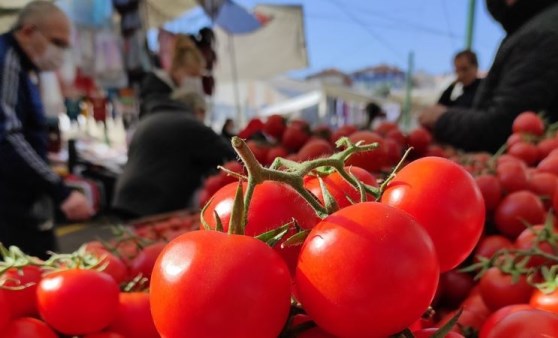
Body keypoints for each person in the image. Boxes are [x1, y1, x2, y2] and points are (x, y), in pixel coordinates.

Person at [0, 1, 93, 258]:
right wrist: (59, 190)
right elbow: (8, 135)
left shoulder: (23, 66)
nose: (61, 52)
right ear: (29, 31)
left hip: (19, 201)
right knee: (24, 278)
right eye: (58, 42)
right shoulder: (7, 59)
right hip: (9, 205)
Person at [419, 0, 558, 153]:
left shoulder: (539, 34)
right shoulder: (534, 27)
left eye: (464, 69)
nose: (460, 74)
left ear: (475, 67)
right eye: (457, 70)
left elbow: (502, 126)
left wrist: (442, 118)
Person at [112, 92, 235, 219]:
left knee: (134, 236)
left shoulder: (148, 120)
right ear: (199, 111)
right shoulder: (189, 124)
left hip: (126, 195)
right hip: (155, 200)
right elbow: (233, 155)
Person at [139, 34, 205, 118]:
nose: (194, 81)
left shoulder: (171, 87)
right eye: (192, 75)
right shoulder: (155, 87)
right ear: (180, 68)